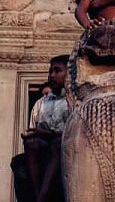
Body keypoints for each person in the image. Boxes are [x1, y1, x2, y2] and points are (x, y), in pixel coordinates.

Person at [21, 54, 70, 202]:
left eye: (57, 71)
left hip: (64, 147)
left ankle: (42, 198)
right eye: (50, 71)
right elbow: (33, 128)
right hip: (43, 147)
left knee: (57, 144)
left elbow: (74, 134)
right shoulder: (41, 103)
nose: (52, 75)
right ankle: (38, 196)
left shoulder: (74, 102)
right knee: (30, 143)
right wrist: (30, 135)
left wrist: (49, 133)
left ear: (68, 73)